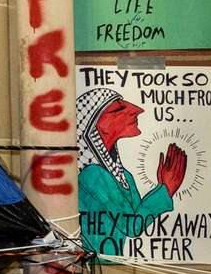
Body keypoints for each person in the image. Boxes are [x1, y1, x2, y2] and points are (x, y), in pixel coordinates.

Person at [76, 88, 186, 256]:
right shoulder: (92, 175)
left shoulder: (125, 176)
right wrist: (165, 190)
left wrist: (162, 187)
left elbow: (136, 219)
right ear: (96, 125)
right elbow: (132, 226)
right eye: (118, 110)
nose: (137, 110)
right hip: (97, 266)